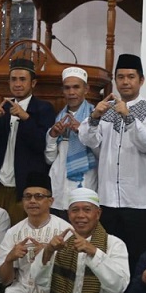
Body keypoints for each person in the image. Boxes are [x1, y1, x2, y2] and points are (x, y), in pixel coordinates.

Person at [78, 53, 146, 275]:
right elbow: (88, 139)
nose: (125, 82)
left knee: (138, 262)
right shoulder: (106, 108)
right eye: (120, 77)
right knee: (107, 261)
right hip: (108, 200)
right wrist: (95, 116)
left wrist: (129, 117)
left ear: (141, 80)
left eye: (131, 77)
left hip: (140, 202)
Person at [0, 172, 72, 293]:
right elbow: (5, 280)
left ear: (50, 201)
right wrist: (10, 258)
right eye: (28, 197)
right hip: (22, 291)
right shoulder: (14, 232)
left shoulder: (65, 230)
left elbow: (71, 275)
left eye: (39, 196)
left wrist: (48, 253)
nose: (32, 201)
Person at [0, 58, 56, 224]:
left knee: (21, 233)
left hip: (25, 187)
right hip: (0, 184)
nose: (17, 84)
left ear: (33, 83)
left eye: (22, 79)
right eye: (13, 79)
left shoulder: (43, 108)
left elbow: (41, 145)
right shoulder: (4, 107)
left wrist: (26, 118)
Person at [45, 67, 97, 219]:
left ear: (86, 89)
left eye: (76, 87)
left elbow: (102, 153)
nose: (71, 92)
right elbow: (49, 159)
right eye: (67, 88)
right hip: (59, 189)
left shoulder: (96, 116)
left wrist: (81, 130)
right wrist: (53, 135)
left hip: (84, 185)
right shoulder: (59, 117)